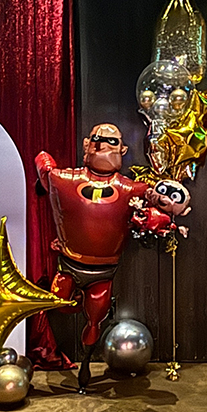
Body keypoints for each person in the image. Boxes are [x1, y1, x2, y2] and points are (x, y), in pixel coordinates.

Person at [35, 123, 151, 391]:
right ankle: (77, 306)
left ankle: (86, 364)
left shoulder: (131, 190)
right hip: (69, 264)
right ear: (87, 144)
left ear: (123, 149)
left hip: (103, 272)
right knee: (59, 304)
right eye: (99, 139)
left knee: (95, 319)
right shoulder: (64, 179)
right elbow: (42, 162)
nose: (105, 145)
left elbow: (159, 201)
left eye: (113, 142)